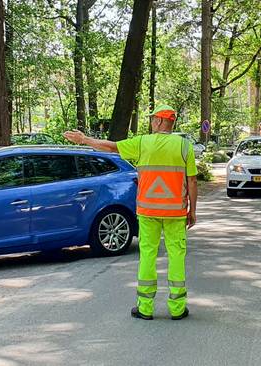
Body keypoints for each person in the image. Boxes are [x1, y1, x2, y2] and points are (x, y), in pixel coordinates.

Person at [63, 105, 197, 321]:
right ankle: (177, 308)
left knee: (148, 256)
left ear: (161, 121)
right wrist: (193, 210)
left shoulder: (143, 143)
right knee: (177, 256)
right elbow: (191, 180)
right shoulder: (184, 146)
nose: (152, 122)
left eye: (154, 119)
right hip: (175, 212)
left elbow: (112, 147)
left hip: (148, 211)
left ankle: (145, 308)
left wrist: (85, 140)